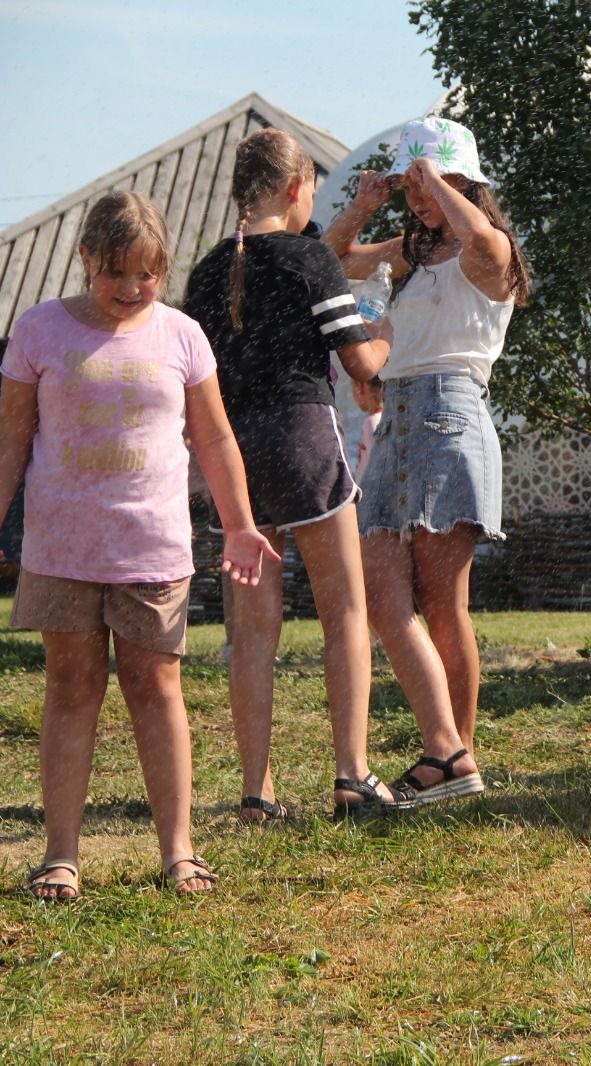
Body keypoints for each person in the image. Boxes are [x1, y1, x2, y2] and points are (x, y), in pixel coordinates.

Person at [0, 191, 277, 899]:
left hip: (152, 547)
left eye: (146, 274)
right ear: (85, 258)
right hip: (60, 548)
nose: (130, 289)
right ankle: (60, 854)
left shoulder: (182, 336)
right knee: (70, 687)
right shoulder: (37, 331)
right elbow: (10, 439)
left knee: (157, 688)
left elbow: (213, 437)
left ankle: (178, 852)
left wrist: (240, 522)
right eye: (115, 272)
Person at [184, 129, 401, 820]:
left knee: (251, 631)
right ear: (294, 188)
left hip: (233, 455)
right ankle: (351, 775)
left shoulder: (206, 272)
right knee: (345, 612)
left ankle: (256, 791)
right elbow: (363, 365)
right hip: (304, 437)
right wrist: (391, 332)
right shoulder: (311, 259)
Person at [324, 116, 530, 803]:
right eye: (410, 183)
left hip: (451, 413)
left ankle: (454, 760)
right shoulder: (410, 253)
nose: (417, 197)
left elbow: (481, 238)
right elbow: (327, 263)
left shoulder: (486, 249)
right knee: (384, 597)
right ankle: (448, 753)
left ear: (464, 180)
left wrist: (437, 186)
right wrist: (362, 206)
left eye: (429, 180)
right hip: (397, 418)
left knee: (444, 604)